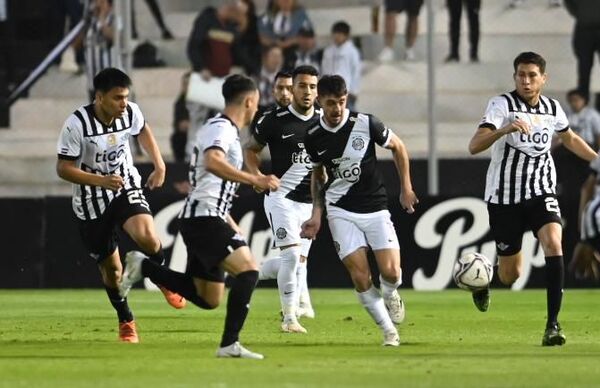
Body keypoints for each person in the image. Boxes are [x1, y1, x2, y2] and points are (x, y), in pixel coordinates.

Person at [120, 74, 280, 359]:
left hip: (208, 216)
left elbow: (211, 184)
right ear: (249, 101)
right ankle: (230, 345)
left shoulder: (224, 129)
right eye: (255, 105)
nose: (256, 110)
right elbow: (212, 161)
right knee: (249, 271)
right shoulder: (221, 128)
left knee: (209, 297)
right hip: (203, 218)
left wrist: (231, 223)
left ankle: (146, 267)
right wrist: (254, 178)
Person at [468, 52, 599, 346]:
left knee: (554, 242)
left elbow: (569, 139)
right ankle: (481, 280)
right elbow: (474, 146)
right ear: (514, 77)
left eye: (531, 75)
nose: (525, 81)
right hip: (504, 198)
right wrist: (504, 129)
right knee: (510, 275)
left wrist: (597, 160)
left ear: (543, 78)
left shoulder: (553, 108)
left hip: (541, 191)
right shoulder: (501, 105)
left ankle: (552, 325)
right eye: (520, 75)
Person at [55, 68, 186, 344]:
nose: (124, 103)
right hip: (91, 199)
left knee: (149, 238)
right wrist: (99, 181)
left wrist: (159, 164)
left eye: (126, 97)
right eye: (117, 98)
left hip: (124, 184)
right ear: (99, 97)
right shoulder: (76, 124)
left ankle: (163, 278)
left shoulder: (130, 112)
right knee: (113, 271)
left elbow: (143, 130)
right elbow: (64, 169)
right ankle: (126, 320)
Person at [301, 75, 418, 346]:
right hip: (340, 209)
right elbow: (318, 176)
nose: (337, 109)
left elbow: (398, 147)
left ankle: (390, 294)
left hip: (375, 207)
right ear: (319, 102)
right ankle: (389, 331)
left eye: (341, 102)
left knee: (391, 273)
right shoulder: (313, 136)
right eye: (331, 103)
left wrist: (406, 188)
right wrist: (317, 214)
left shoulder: (366, 123)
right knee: (360, 276)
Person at [244, 65, 320, 332]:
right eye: (301, 86)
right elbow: (251, 150)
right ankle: (289, 318)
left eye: (312, 86)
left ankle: (248, 272)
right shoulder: (273, 120)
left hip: (309, 204)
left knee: (298, 262)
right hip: (280, 198)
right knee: (291, 258)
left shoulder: (324, 121)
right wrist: (256, 176)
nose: (306, 92)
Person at [321, 21, 361, 111]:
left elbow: (355, 71)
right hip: (329, 89)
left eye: (340, 34)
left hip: (346, 90)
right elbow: (324, 69)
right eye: (335, 34)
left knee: (349, 113)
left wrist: (354, 90)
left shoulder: (352, 51)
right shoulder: (328, 51)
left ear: (346, 35)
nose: (337, 37)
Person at [564, 0, 600, 102]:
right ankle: (583, 99)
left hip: (584, 23)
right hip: (584, 27)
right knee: (584, 66)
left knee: (584, 66)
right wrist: (581, 14)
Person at [255, 44, 284, 110]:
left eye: (279, 56)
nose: (276, 60)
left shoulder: (286, 79)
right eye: (273, 56)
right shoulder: (254, 76)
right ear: (264, 58)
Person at [170, 71, 190, 163]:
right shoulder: (180, 102)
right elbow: (180, 125)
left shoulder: (204, 103)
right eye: (185, 84)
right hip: (186, 136)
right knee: (177, 138)